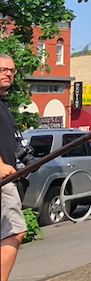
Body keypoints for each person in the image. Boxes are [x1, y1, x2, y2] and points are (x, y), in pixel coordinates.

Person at [0, 54, 26, 281]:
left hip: (8, 177)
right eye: (3, 70)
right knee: (15, 230)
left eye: (11, 70)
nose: (8, 74)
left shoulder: (3, 102)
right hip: (2, 179)